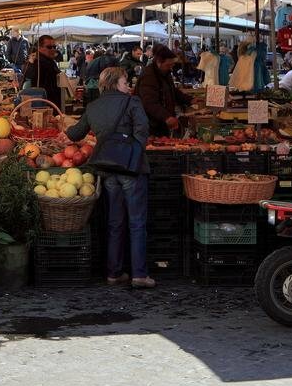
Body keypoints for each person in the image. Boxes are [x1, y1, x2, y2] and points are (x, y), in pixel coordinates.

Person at [65, 67, 153, 288]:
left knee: (115, 222)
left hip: (107, 169)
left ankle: (114, 273)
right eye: (125, 82)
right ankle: (139, 275)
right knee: (137, 222)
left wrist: (63, 130)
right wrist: (132, 152)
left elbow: (76, 133)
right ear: (115, 83)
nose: (128, 86)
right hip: (132, 169)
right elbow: (143, 130)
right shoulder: (132, 102)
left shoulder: (93, 106)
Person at [136, 44, 192, 137]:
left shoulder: (165, 72)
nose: (171, 67)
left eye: (172, 65)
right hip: (150, 126)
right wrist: (166, 117)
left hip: (160, 124)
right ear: (159, 62)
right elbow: (149, 102)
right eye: (168, 65)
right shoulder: (149, 76)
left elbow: (172, 91)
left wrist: (189, 99)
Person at [26, 35, 61, 105]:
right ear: (39, 48)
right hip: (46, 104)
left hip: (51, 102)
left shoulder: (49, 61)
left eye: (54, 47)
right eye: (49, 47)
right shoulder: (39, 62)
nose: (53, 49)